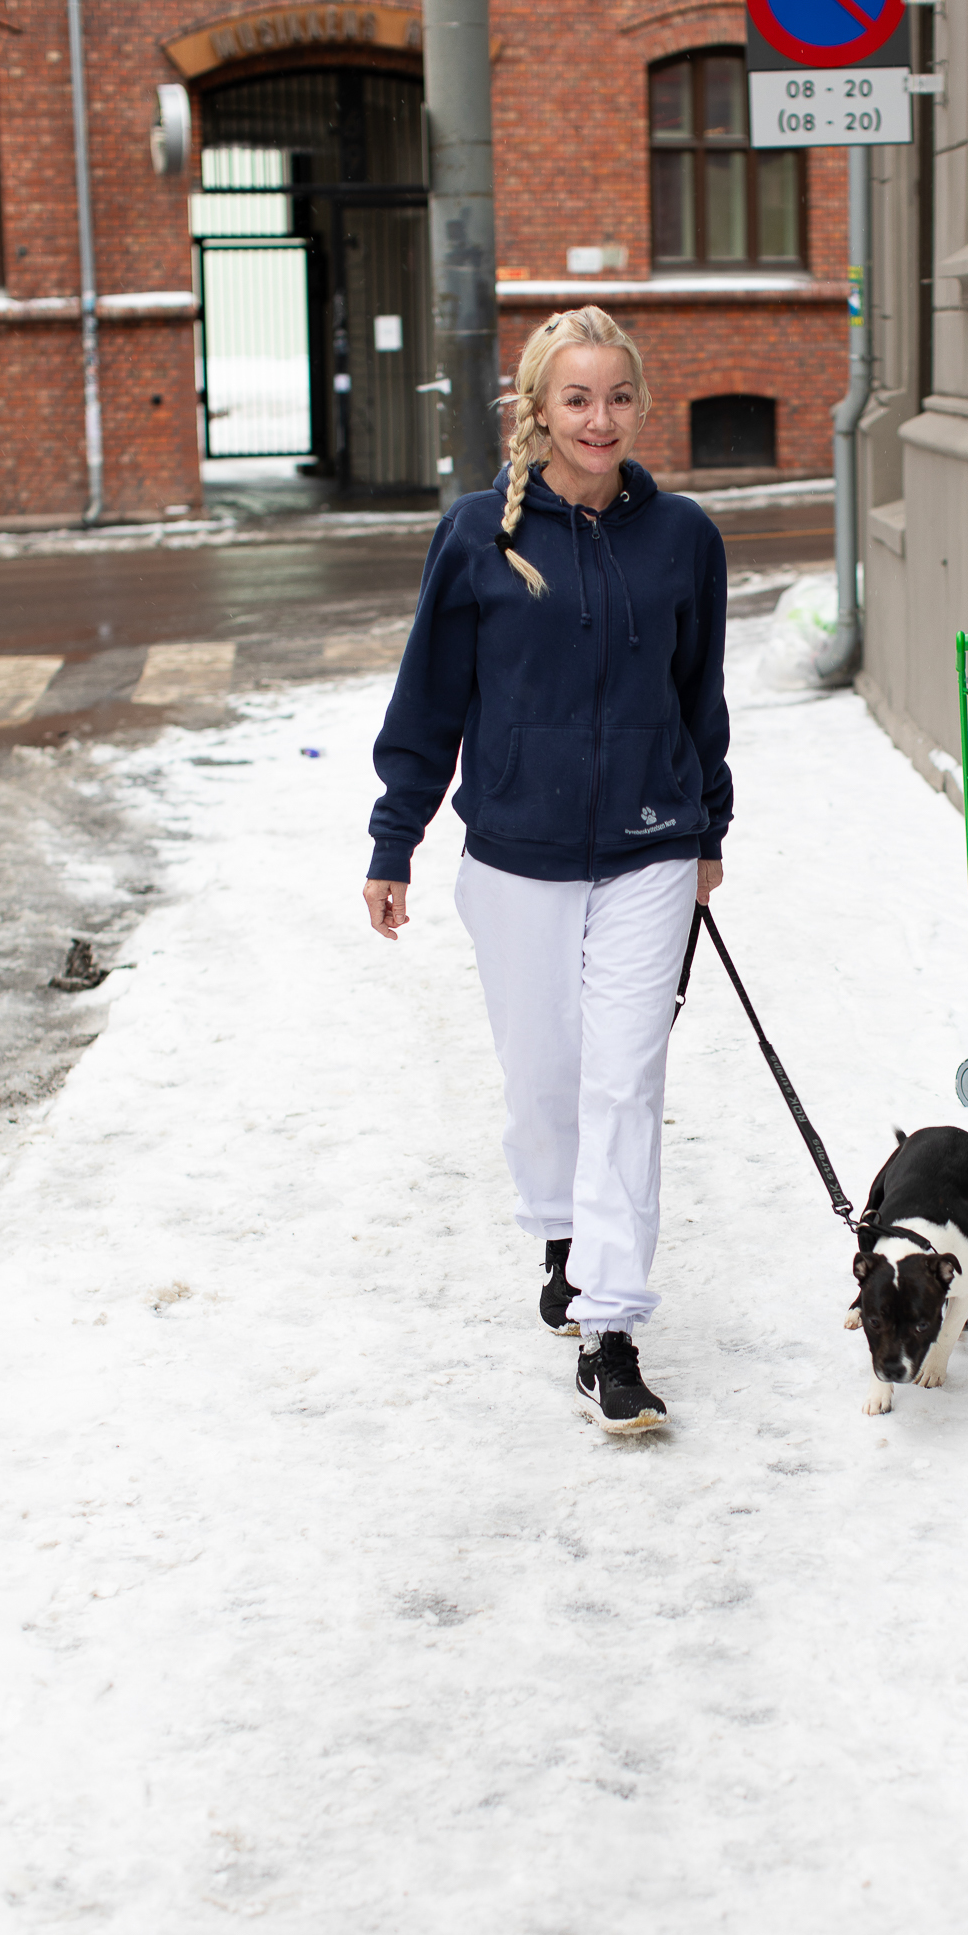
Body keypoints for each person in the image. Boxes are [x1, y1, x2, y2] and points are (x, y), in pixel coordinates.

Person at [362, 305, 731, 1433]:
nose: (599, 418)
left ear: (639, 404)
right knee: (545, 1079)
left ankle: (612, 1326)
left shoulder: (683, 539)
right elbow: (430, 696)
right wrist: (396, 836)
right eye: (576, 398)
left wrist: (708, 828)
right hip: (515, 853)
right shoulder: (479, 533)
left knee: (626, 1079)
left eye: (617, 396)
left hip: (649, 848)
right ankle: (564, 1237)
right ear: (538, 409)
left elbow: (698, 697)